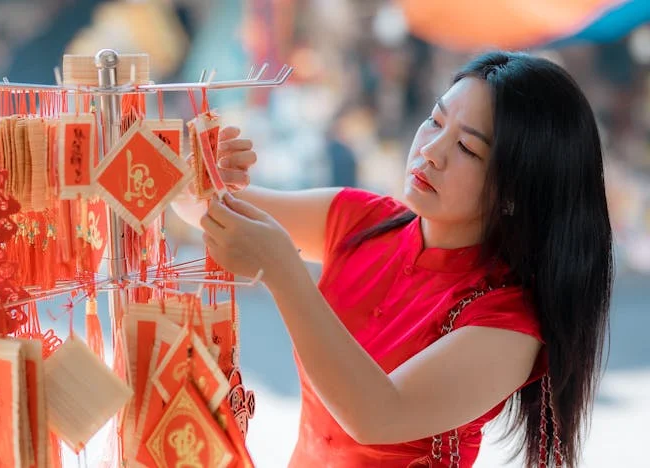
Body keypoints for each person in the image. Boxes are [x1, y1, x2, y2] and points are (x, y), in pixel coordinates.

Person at [172, 51, 613, 467]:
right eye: (434, 120)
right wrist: (200, 172)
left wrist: (284, 273)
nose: (431, 151)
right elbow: (202, 207)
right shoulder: (363, 220)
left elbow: (377, 415)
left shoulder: (506, 323)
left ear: (517, 191)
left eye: (467, 148)